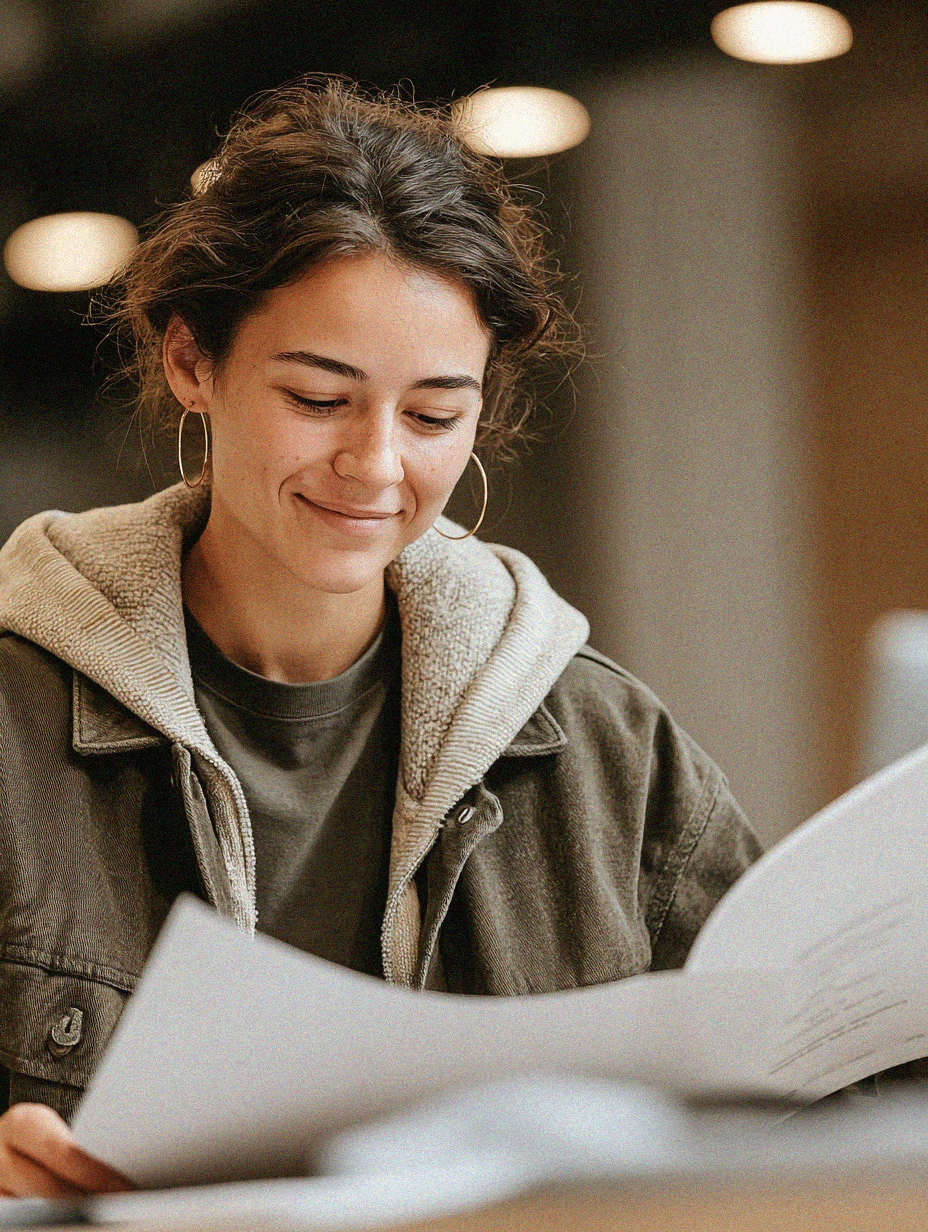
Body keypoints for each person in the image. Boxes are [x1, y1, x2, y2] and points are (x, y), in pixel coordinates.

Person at [0, 75, 761, 1198]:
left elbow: (805, 1102)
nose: (376, 464)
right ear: (192, 361)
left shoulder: (608, 750)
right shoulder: (16, 718)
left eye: (435, 414)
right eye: (319, 399)